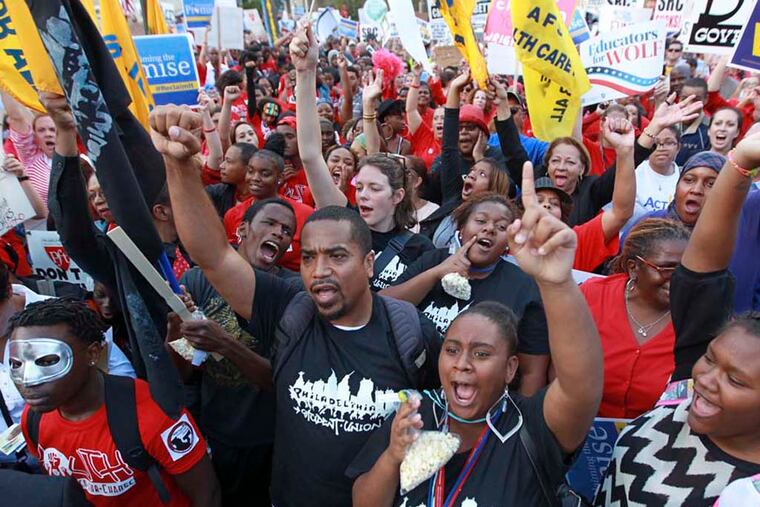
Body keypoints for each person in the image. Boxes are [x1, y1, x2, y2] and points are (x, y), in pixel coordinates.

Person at [150, 96, 442, 507]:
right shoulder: (291, 308)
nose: (319, 269)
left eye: (337, 256)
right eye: (308, 257)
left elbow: (436, 426)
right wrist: (179, 165)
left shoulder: (411, 333)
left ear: (369, 263)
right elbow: (212, 255)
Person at [350, 164, 604, 506]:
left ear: (510, 368)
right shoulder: (415, 414)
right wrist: (393, 456)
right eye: (452, 350)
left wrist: (557, 283)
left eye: (482, 354)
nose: (463, 364)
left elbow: (580, 387)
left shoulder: (529, 428)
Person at [594, 128, 760, 506]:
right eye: (710, 358)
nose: (704, 379)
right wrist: (741, 162)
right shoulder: (689, 391)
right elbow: (700, 276)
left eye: (735, 380)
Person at [8, 298, 221, 506]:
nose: (28, 380)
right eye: (16, 364)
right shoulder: (33, 419)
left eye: (48, 362)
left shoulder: (154, 414)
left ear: (92, 353)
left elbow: (207, 494)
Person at [175, 198, 300, 506]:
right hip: (215, 429)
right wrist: (176, 332)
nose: (280, 233)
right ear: (242, 229)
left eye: (287, 230)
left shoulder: (293, 293)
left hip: (268, 439)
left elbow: (280, 381)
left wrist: (224, 343)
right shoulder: (197, 279)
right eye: (270, 224)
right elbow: (185, 372)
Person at [382, 192, 549, 395]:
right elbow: (381, 307)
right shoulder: (433, 260)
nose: (489, 228)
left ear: (509, 243)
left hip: (479, 403)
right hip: (409, 389)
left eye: (501, 227)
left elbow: (532, 372)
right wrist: (435, 274)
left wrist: (520, 420)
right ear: (461, 229)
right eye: (480, 221)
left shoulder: (524, 287)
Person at [501, 93, 702, 226]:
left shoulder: (592, 190)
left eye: (570, 162)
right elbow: (512, 150)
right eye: (555, 161)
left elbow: (626, 164)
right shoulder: (532, 180)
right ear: (547, 165)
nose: (561, 167)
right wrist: (502, 104)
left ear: (582, 169)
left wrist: (655, 126)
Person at [581, 218, 690, 418]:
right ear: (633, 267)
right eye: (666, 268)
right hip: (579, 432)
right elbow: (559, 372)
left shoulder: (698, 317)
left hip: (657, 441)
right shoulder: (592, 296)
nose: (678, 278)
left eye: (685, 269)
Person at [534, 117, 636, 272]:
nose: (546, 205)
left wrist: (625, 151)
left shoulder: (574, 244)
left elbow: (621, 213)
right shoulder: (508, 241)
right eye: (538, 200)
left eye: (555, 203)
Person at [421, 72, 513, 244]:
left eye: (470, 128)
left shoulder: (496, 226)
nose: (471, 175)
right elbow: (448, 146)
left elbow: (513, 164)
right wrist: (455, 88)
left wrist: (479, 158)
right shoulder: (453, 196)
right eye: (472, 172)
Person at [222, 147, 314, 271]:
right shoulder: (233, 215)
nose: (255, 178)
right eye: (250, 171)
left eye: (265, 174)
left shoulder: (304, 214)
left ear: (280, 178)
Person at [637, 151, 724, 229]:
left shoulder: (733, 236)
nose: (696, 190)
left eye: (711, 184)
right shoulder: (648, 225)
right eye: (689, 180)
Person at [205, 142, 257, 218]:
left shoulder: (262, 202)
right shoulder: (219, 191)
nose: (221, 166)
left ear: (248, 168)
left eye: (228, 161)